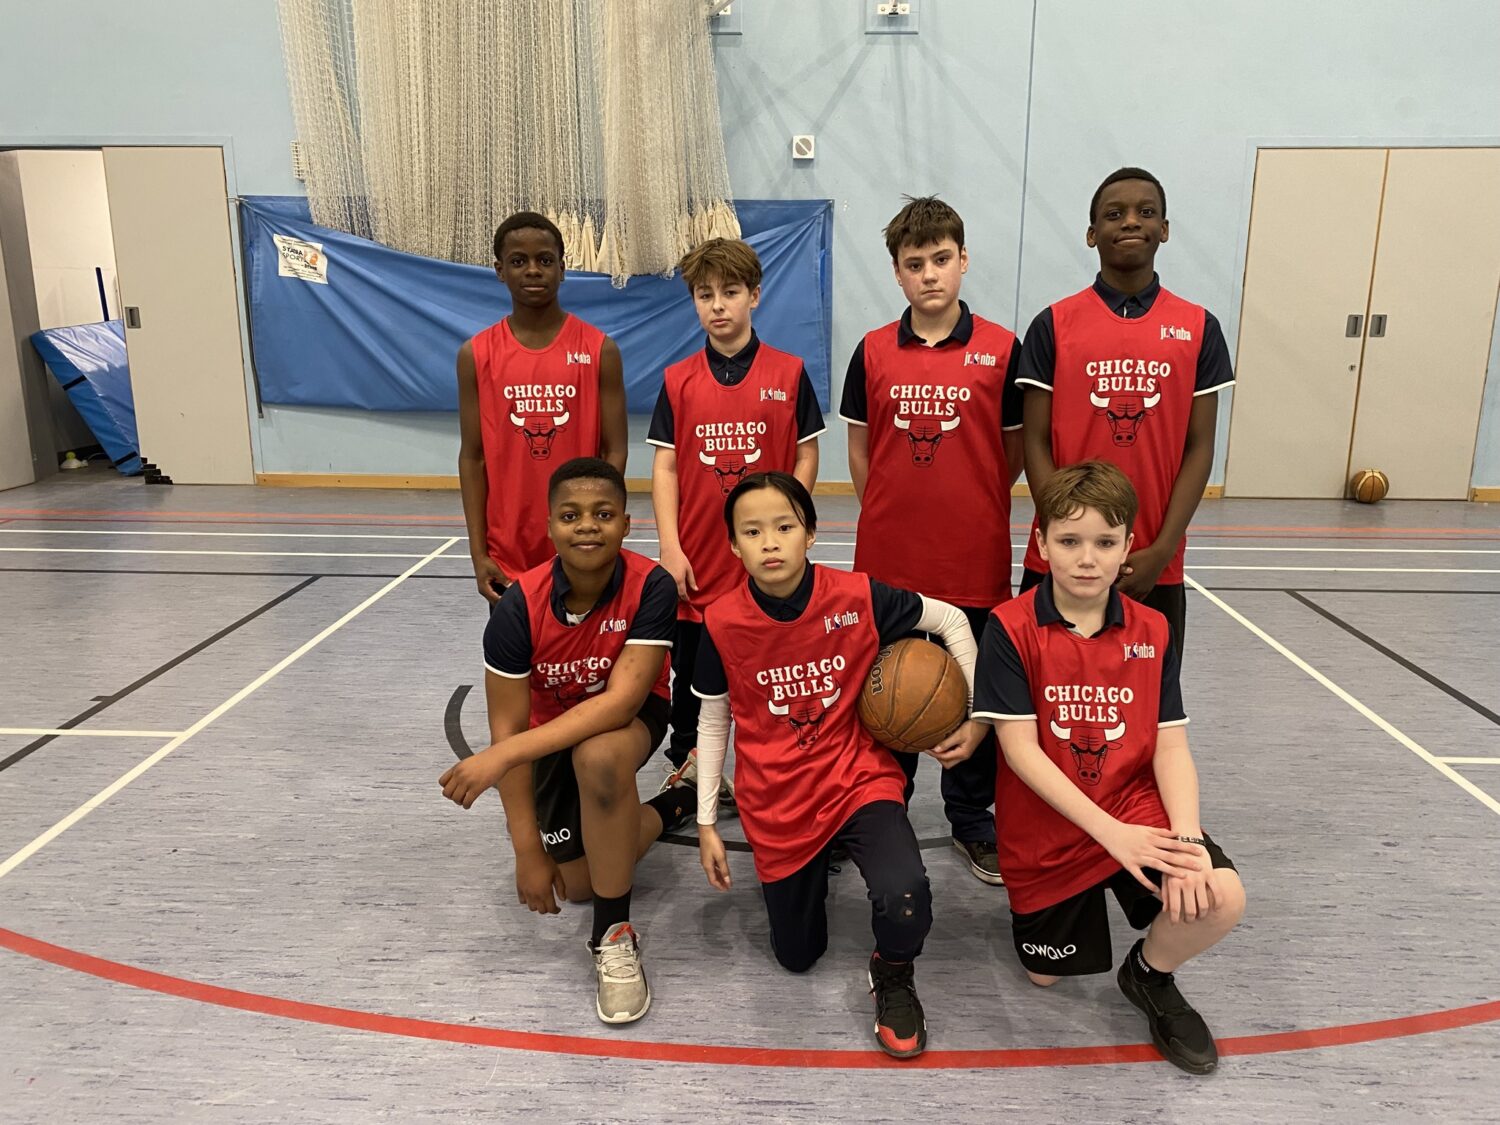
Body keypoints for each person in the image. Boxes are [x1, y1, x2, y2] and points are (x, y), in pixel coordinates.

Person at [947, 460, 1246, 1074]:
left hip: (1133, 808)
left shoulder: (1153, 629)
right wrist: (1113, 838)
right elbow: (1021, 750)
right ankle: (1079, 898)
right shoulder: (1009, 627)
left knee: (1220, 897)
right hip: (1048, 830)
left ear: (1127, 547)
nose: (1087, 558)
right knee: (1045, 975)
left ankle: (1149, 974)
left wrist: (1186, 841)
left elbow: (1170, 747)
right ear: (1041, 543)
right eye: (1070, 541)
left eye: (1105, 542)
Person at [692, 471, 985, 1059]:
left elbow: (953, 621)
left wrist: (974, 717)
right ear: (732, 544)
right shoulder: (721, 623)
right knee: (797, 958)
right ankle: (809, 866)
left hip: (858, 777)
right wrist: (704, 822)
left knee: (906, 893)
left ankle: (894, 973)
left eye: (784, 526)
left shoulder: (858, 597)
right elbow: (714, 719)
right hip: (776, 795)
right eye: (753, 531)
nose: (770, 542)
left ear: (811, 534)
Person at [439, 458, 697, 1025]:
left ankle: (614, 934)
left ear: (626, 524)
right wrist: (526, 850)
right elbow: (508, 727)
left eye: (603, 514)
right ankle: (676, 802)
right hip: (546, 733)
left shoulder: (650, 585)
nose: (587, 526)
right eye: (571, 515)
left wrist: (504, 754)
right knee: (577, 884)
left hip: (628, 719)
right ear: (550, 525)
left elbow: (621, 703)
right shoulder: (516, 609)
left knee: (600, 756)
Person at [838, 195, 1022, 886]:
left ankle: (972, 821)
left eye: (942, 259)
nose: (930, 275)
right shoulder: (874, 350)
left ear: (964, 259)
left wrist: (967, 503)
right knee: (888, 695)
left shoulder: (1002, 349)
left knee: (968, 695)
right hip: (888, 562)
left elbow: (1014, 453)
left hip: (972, 560)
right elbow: (861, 451)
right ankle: (878, 815)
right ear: (896, 273)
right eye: (914, 264)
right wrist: (891, 509)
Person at [1017, 168, 1235, 660]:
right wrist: (1066, 536)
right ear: (1092, 234)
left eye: (1146, 212)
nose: (1130, 222)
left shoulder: (1199, 327)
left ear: (1165, 229)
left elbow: (1200, 447)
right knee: (1046, 689)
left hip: (1154, 559)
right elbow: (1035, 441)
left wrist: (1163, 548)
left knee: (1147, 703)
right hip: (1063, 554)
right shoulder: (1053, 324)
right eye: (1114, 214)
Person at [647, 237, 824, 794]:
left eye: (730, 292)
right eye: (705, 294)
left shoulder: (789, 373)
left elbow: (807, 451)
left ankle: (774, 761)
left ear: (755, 296)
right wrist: (671, 547)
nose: (718, 305)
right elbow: (667, 468)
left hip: (763, 557)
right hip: (699, 560)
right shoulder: (678, 380)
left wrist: (789, 524)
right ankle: (692, 765)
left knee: (771, 666)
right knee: (693, 675)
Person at [457, 212, 629, 604]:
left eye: (545, 260)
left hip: (582, 548)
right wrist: (478, 554)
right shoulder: (476, 355)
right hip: (507, 555)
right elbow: (472, 458)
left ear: (563, 269)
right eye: (519, 261)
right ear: (500, 271)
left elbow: (614, 450)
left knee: (584, 664)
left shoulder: (600, 350)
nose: (533, 270)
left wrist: (597, 522)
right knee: (515, 664)